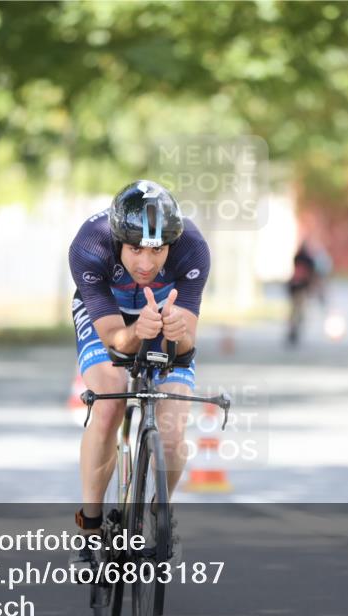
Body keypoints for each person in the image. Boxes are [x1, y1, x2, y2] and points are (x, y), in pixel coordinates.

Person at [67, 180, 210, 569]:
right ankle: (90, 528)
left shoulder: (193, 247)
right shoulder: (90, 244)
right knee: (110, 401)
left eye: (157, 250)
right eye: (135, 250)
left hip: (165, 315)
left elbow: (187, 343)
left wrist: (176, 334)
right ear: (118, 241)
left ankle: (159, 517)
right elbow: (114, 337)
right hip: (109, 315)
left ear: (172, 244)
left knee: (173, 424)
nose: (146, 264)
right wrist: (135, 333)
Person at [286, 241, 317, 346]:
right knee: (299, 310)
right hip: (300, 287)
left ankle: (294, 327)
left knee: (296, 310)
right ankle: (295, 327)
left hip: (296, 287)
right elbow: (310, 275)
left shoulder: (298, 258)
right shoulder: (307, 260)